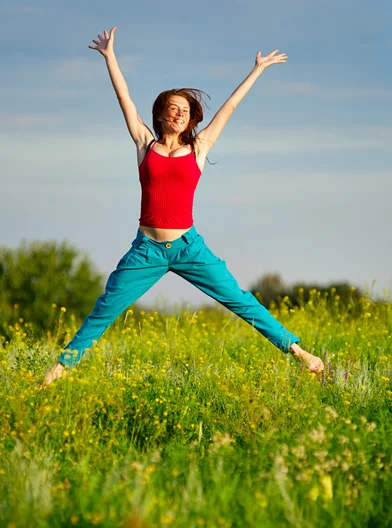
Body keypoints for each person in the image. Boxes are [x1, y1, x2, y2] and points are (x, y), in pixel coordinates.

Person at [43, 28, 324, 386]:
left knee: (239, 300)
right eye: (172, 109)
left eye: (185, 111)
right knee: (104, 310)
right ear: (160, 115)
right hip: (146, 251)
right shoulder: (145, 143)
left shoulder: (199, 148)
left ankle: (299, 353)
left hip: (190, 248)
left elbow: (230, 107)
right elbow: (124, 98)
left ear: (191, 119)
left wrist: (258, 69)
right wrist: (109, 56)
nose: (178, 114)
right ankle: (55, 373)